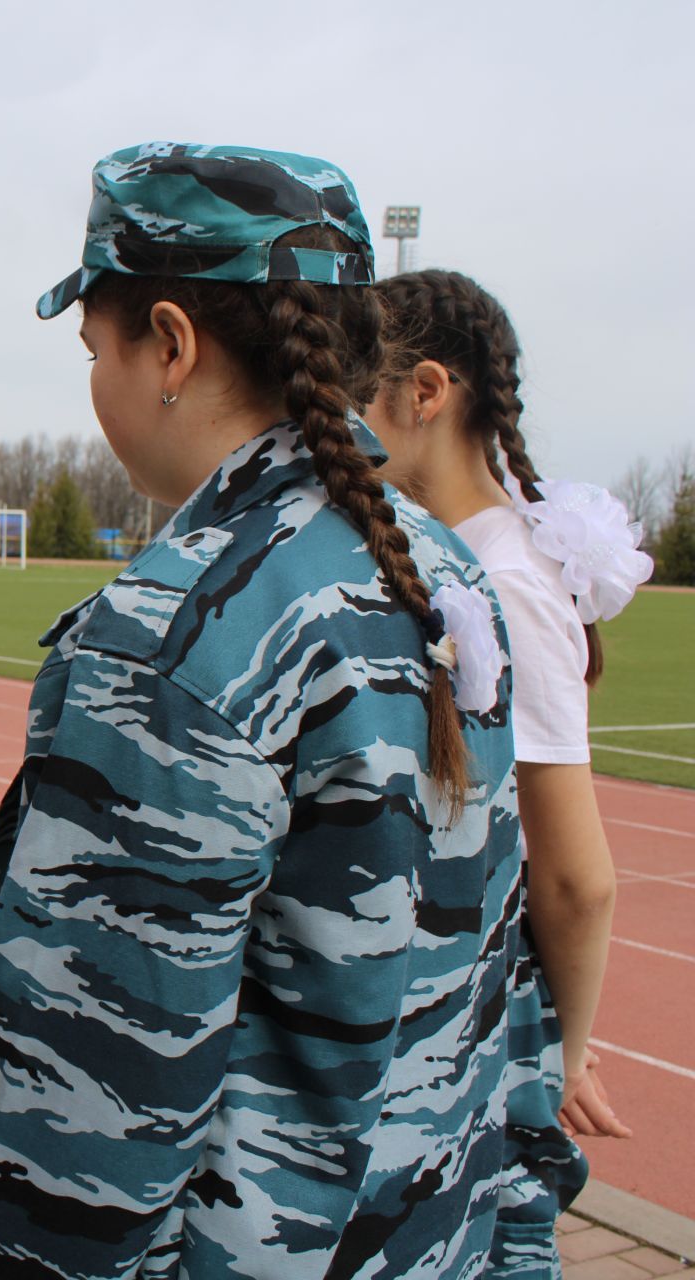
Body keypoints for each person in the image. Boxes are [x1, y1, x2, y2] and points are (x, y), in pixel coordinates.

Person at [0, 143, 575, 1279]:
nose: (96, 380)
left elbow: (79, 1121)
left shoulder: (174, 636)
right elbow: (499, 982)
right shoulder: (452, 576)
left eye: (95, 347)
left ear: (169, 342)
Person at [368, 269, 645, 1147]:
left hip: (486, 1018)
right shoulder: (458, 550)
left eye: (354, 391)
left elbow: (576, 875)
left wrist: (560, 1050)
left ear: (424, 394)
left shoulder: (507, 578)